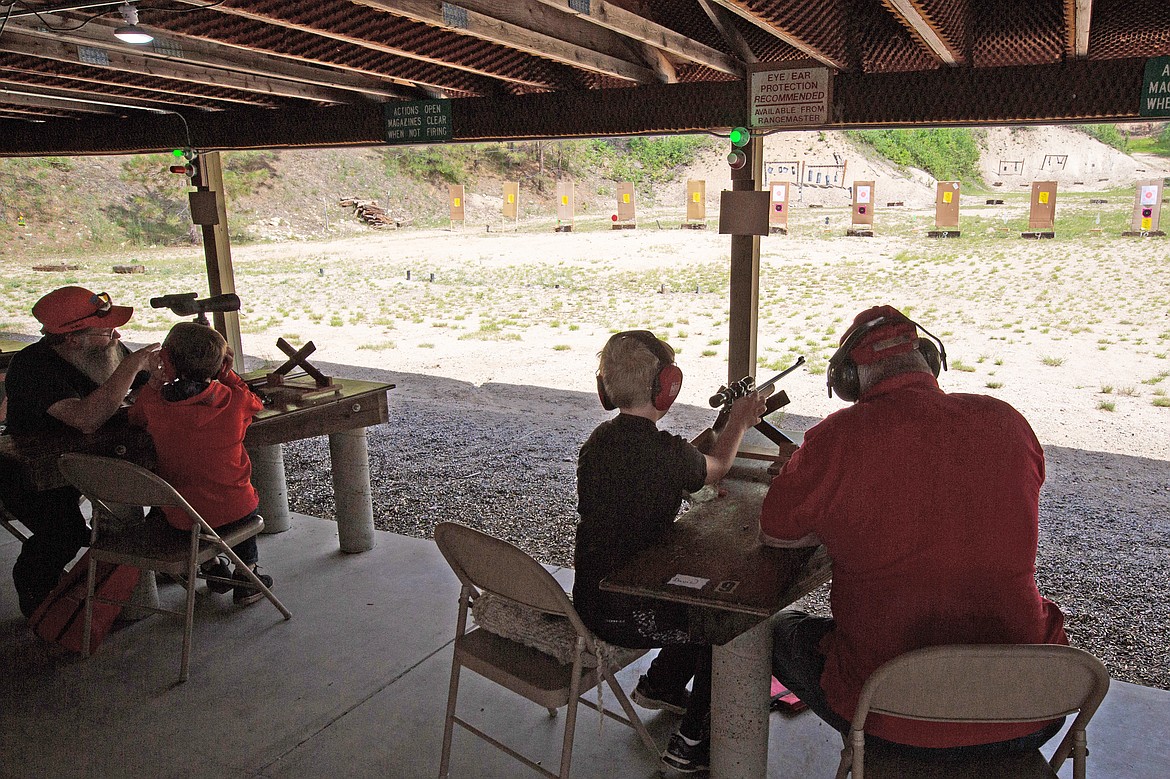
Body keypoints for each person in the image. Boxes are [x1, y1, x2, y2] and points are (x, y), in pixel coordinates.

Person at [759, 305, 1068, 758]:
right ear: (929, 359)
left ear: (848, 380)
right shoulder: (1007, 420)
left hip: (891, 716)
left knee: (771, 634)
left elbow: (778, 533)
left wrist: (813, 480)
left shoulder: (837, 436)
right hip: (1031, 706)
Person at [573, 330, 766, 773]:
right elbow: (716, 471)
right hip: (627, 614)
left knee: (688, 604)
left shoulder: (598, 443)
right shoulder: (666, 454)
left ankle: (661, 684)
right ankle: (691, 743)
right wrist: (738, 423)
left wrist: (712, 435)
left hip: (589, 600)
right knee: (722, 628)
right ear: (667, 387)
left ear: (606, 388)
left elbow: (660, 470)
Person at [1, 286, 160, 617]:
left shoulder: (105, 349)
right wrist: (131, 366)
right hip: (31, 470)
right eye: (105, 330)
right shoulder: (32, 366)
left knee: (170, 484)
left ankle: (150, 566)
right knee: (64, 532)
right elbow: (86, 419)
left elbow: (148, 386)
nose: (116, 334)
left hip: (87, 458)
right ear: (73, 339)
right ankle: (38, 599)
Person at [128, 322, 273, 605]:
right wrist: (228, 375)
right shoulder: (235, 400)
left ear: (167, 360)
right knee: (236, 501)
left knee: (184, 505)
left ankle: (211, 568)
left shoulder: (155, 405)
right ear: (220, 364)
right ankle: (249, 576)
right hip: (237, 511)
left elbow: (134, 418)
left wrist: (154, 382)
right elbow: (256, 403)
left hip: (184, 518)